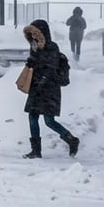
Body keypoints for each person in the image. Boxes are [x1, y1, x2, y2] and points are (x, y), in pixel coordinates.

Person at [21, 19, 80, 159]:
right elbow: (37, 62)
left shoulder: (52, 47)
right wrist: (30, 63)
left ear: (42, 33)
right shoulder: (34, 46)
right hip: (37, 87)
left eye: (36, 33)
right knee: (32, 117)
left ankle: (72, 140)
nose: (33, 36)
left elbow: (51, 67)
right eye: (31, 34)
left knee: (49, 120)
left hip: (50, 89)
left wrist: (43, 80)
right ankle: (36, 151)